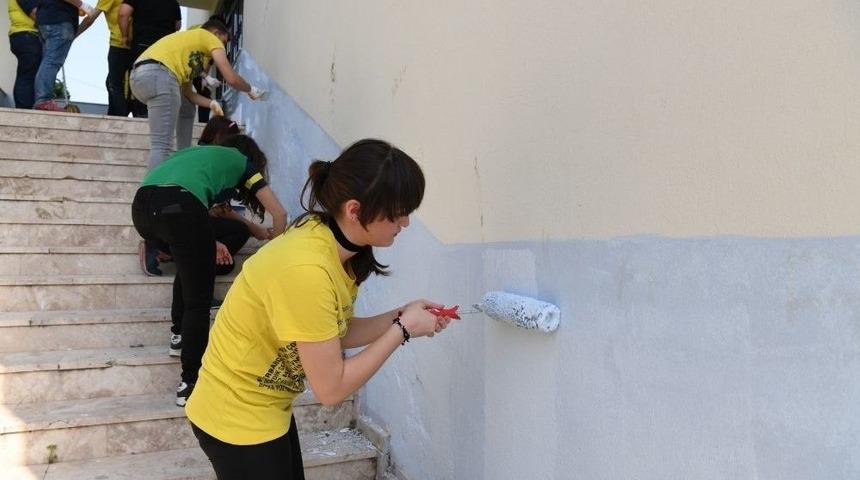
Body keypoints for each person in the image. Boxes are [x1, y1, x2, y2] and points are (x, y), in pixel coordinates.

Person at [185, 139, 457, 478]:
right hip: (233, 416)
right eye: (397, 212)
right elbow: (331, 389)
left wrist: (400, 314)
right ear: (355, 210)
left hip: (267, 407)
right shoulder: (307, 269)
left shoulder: (331, 241)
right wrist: (402, 331)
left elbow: (332, 333)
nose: (405, 222)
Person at [131, 134, 288, 406]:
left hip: (143, 209)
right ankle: (190, 383)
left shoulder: (197, 155)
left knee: (191, 263)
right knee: (198, 303)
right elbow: (280, 213)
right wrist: (280, 253)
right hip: (180, 208)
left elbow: (215, 212)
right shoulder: (242, 163)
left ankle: (178, 335)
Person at [129, 16, 266, 170]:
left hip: (139, 78)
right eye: (224, 42)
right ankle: (152, 191)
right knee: (161, 145)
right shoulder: (208, 36)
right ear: (216, 33)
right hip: (160, 75)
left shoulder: (188, 49)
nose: (223, 47)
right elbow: (231, 78)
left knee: (187, 108)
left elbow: (188, 94)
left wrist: (212, 103)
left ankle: (183, 155)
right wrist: (250, 90)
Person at [118, 0, 180, 117]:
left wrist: (125, 36)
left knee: (141, 82)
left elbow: (123, 13)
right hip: (164, 50)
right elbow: (178, 25)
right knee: (162, 85)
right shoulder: (173, 2)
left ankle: (141, 116)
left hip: (142, 46)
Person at [33, 0, 94, 111]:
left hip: (46, 19)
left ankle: (42, 100)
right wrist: (82, 5)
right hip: (59, 21)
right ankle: (43, 100)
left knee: (48, 61)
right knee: (51, 62)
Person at [76, 0, 131, 116]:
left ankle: (119, 116)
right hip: (136, 42)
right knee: (117, 81)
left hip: (119, 42)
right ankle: (116, 113)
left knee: (114, 82)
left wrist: (74, 35)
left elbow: (91, 18)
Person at [7, 0, 41, 109]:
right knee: (27, 76)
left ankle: (25, 108)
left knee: (27, 75)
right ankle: (24, 109)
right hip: (27, 34)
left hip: (22, 34)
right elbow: (35, 14)